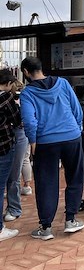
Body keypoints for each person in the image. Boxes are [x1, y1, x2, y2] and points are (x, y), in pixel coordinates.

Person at [20, 56, 84, 241]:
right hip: (72, 136)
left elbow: (29, 120)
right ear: (41, 68)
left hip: (45, 142)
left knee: (46, 182)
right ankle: (71, 220)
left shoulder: (27, 93)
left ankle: (46, 227)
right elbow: (76, 109)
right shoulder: (63, 83)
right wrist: (77, 127)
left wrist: (33, 141)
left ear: (26, 72)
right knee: (75, 177)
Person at [0, 69, 22, 241]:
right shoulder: (5, 97)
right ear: (8, 84)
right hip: (4, 146)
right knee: (3, 184)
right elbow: (17, 118)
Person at [4, 81, 30, 222]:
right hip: (12, 135)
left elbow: (21, 121)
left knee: (14, 173)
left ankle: (14, 208)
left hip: (18, 134)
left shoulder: (20, 100)